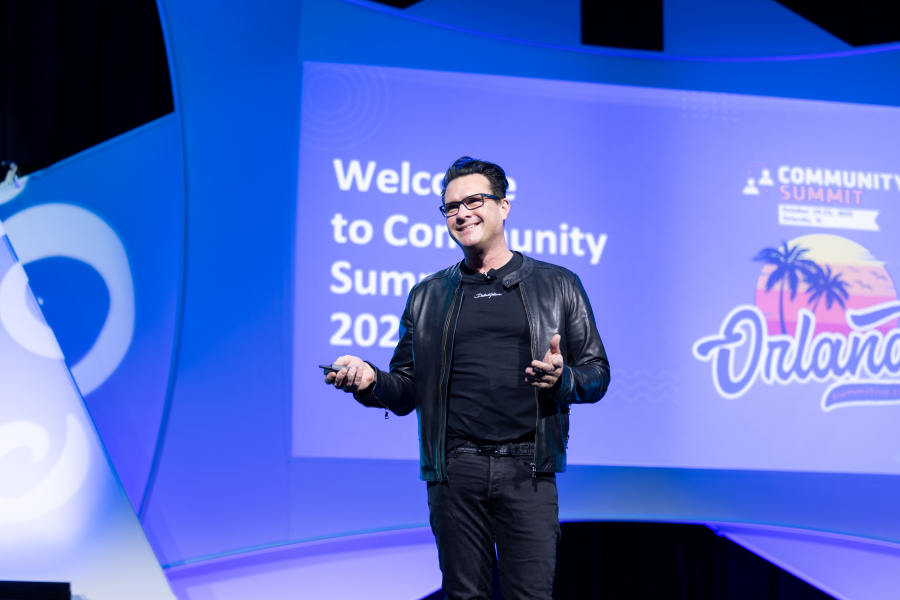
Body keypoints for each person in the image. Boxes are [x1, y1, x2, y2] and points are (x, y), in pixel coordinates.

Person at [325, 156, 610, 600]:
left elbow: (597, 374)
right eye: (451, 207)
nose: (461, 213)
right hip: (456, 472)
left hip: (528, 470)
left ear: (503, 206)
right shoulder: (427, 295)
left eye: (473, 201)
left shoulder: (559, 284)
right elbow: (406, 389)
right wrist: (370, 380)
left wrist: (562, 380)